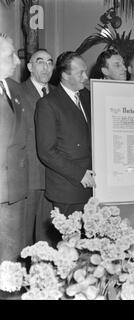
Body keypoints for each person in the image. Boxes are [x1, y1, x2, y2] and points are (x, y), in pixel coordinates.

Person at [35, 51, 95, 228]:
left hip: (93, 187)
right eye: (80, 73)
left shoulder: (88, 96)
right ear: (64, 75)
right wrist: (79, 174)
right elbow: (46, 151)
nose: (86, 77)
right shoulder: (48, 104)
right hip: (68, 189)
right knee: (69, 246)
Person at [21, 49, 54, 246]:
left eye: (50, 62)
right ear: (30, 67)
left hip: (52, 178)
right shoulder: (17, 92)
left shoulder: (58, 93)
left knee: (47, 239)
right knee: (23, 239)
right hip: (28, 177)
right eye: (40, 62)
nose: (46, 67)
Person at [0, 34, 28, 267]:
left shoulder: (15, 88)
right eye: (11, 55)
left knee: (10, 258)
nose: (17, 61)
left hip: (14, 191)